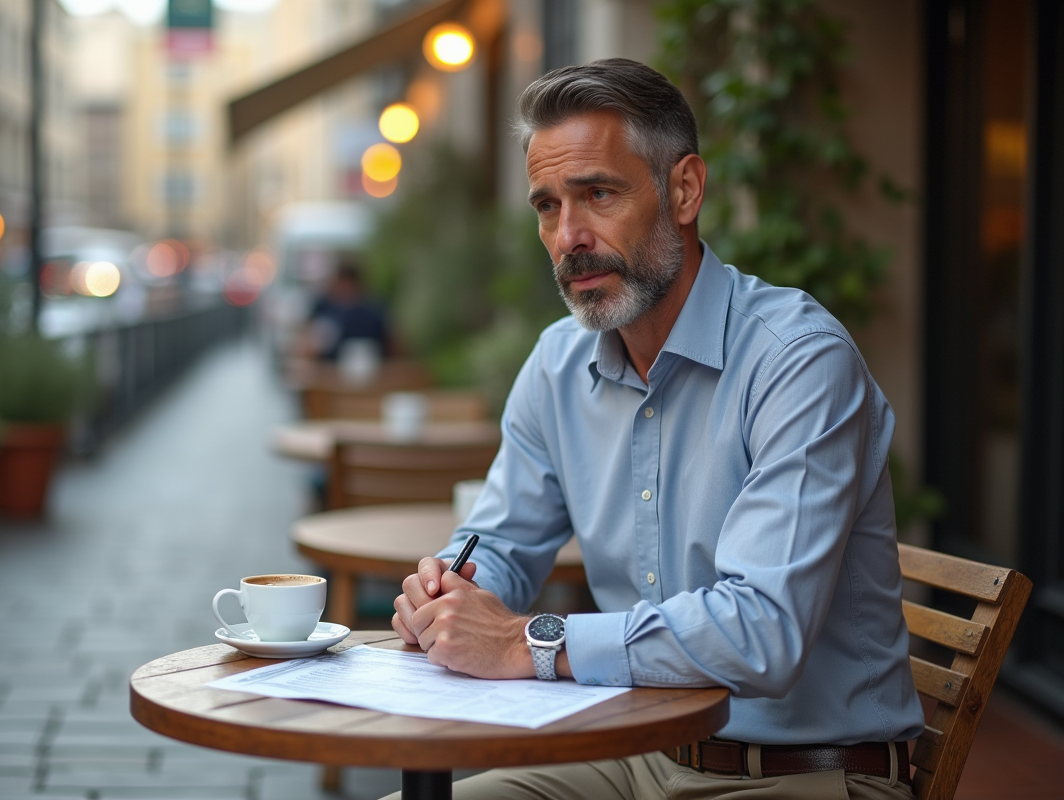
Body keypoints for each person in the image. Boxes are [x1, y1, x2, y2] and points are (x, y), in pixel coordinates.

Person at [387, 58, 922, 800]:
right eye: (547, 206)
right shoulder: (557, 364)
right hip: (633, 755)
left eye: (598, 194)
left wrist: (524, 643)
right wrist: (450, 593)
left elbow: (762, 633)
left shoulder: (798, 362)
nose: (569, 236)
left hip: (806, 775)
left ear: (684, 189)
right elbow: (504, 543)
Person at [301, 258, 391, 362]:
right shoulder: (322, 307)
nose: (345, 290)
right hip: (327, 370)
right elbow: (306, 344)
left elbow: (392, 343)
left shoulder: (374, 310)